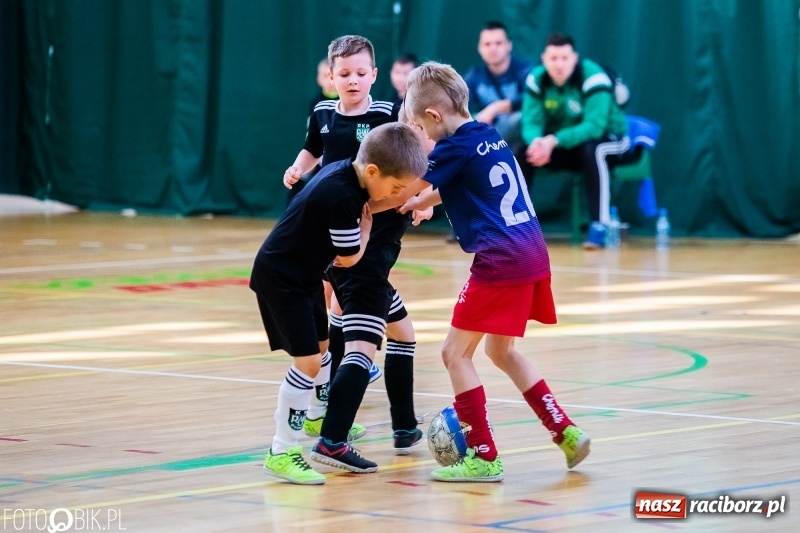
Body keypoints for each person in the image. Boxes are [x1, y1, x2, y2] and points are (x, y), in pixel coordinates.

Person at [396, 61, 591, 482]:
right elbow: (462, 183)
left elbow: (410, 184)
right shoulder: (488, 135)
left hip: (501, 260)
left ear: (434, 116)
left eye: (421, 129)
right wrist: (427, 201)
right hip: (532, 253)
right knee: (501, 351)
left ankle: (483, 457)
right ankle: (565, 430)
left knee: (454, 353)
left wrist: (380, 201)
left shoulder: (450, 147)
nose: (425, 138)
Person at [251, 121, 427, 485]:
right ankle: (281, 451)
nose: (393, 195)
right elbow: (347, 259)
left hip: (301, 275)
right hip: (285, 278)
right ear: (373, 171)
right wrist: (364, 232)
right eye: (394, 188)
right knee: (309, 362)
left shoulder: (343, 169)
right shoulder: (346, 199)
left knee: (321, 347)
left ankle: (316, 415)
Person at [309, 103, 435, 473]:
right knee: (362, 353)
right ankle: (332, 440)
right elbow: (398, 196)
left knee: (403, 334)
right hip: (362, 272)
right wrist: (424, 194)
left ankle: (404, 427)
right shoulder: (398, 178)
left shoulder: (400, 168)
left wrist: (422, 202)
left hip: (360, 269)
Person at [521, 33, 629, 249]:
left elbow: (595, 127)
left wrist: (553, 140)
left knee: (594, 150)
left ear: (574, 58)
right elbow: (530, 123)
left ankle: (599, 225)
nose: (559, 64)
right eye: (553, 58)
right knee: (521, 151)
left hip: (611, 139)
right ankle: (514, 227)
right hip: (563, 144)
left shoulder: (593, 76)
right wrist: (537, 143)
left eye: (564, 58)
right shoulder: (536, 79)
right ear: (544, 59)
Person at [463, 21, 533, 155]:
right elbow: (458, 106)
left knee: (518, 119)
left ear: (509, 45)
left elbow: (532, 98)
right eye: (487, 44)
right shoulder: (474, 75)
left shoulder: (525, 69)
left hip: (520, 135)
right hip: (488, 129)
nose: (492, 48)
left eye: (498, 43)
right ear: (479, 48)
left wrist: (495, 108)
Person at [286, 59, 341, 205]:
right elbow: (312, 133)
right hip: (317, 151)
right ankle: (291, 215)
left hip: (335, 155)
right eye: (325, 75)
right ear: (318, 79)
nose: (329, 80)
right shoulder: (316, 103)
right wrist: (313, 156)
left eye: (332, 75)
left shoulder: (345, 101)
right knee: (298, 178)